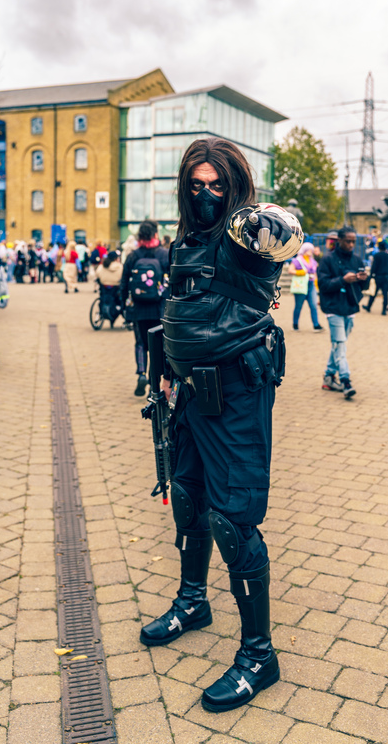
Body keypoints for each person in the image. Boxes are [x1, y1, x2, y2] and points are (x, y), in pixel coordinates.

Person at [139, 137, 302, 713]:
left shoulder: (244, 235)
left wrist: (263, 223)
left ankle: (259, 656)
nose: (205, 194)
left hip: (237, 389)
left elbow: (283, 234)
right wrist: (165, 375)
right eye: (196, 184)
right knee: (188, 497)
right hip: (188, 390)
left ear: (234, 187)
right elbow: (175, 311)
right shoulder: (186, 239)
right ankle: (193, 601)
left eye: (216, 185)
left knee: (234, 521)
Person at [317, 226, 368, 398]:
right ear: (339, 241)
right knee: (340, 344)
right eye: (348, 241)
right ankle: (346, 380)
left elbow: (364, 287)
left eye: (353, 241)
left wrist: (364, 279)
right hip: (333, 308)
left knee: (339, 344)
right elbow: (323, 285)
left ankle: (329, 376)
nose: (351, 245)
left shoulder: (357, 260)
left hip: (350, 307)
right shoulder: (327, 259)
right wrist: (342, 280)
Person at [120, 221, 169, 396]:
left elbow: (124, 283)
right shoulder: (164, 254)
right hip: (159, 309)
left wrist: (124, 306)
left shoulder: (133, 256)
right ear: (155, 234)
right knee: (157, 347)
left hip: (138, 308)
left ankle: (141, 373)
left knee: (141, 343)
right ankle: (153, 384)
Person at [288, 242, 323, 331]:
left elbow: (315, 274)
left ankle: (316, 325)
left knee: (314, 306)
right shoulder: (297, 260)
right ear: (304, 250)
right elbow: (290, 270)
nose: (310, 251)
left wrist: (317, 285)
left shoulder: (313, 261)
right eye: (308, 249)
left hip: (311, 285)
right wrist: (300, 272)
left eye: (311, 249)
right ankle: (295, 324)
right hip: (301, 285)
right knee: (298, 306)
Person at [362, 239, 388, 315]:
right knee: (385, 294)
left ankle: (369, 306)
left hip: (378, 277)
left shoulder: (377, 255)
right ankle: (384, 310)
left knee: (373, 293)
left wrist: (371, 275)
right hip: (385, 277)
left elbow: (374, 266)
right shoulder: (387, 256)